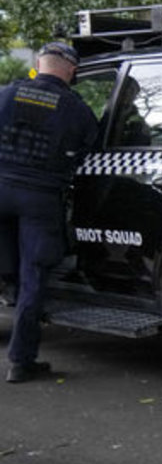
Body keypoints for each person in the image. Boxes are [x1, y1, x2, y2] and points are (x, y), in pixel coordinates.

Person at [0, 41, 99, 383]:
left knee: (9, 267)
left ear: (39, 64)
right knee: (34, 277)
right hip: (39, 198)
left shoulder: (7, 94)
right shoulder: (74, 107)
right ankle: (20, 361)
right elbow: (92, 146)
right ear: (70, 70)